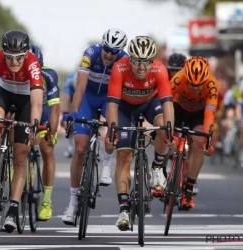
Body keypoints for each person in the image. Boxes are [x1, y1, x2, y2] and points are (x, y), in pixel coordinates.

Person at [0, 30, 44, 233]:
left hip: (25, 99)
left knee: (20, 158)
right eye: (9, 57)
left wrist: (35, 126)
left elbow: (37, 102)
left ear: (26, 54)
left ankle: (12, 209)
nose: (14, 62)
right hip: (2, 92)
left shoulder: (32, 64)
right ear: (3, 53)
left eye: (18, 57)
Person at [105, 36, 176, 231]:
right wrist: (112, 132)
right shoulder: (119, 68)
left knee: (163, 126)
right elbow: (112, 105)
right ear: (130, 60)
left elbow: (168, 104)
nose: (141, 67)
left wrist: (169, 132)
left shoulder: (160, 69)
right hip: (125, 109)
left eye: (146, 62)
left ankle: (157, 167)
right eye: (137, 61)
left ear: (152, 61)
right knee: (123, 156)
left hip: (150, 104)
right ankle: (124, 209)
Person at [61, 28, 128, 225]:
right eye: (106, 49)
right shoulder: (90, 54)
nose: (108, 54)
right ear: (102, 45)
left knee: (114, 129)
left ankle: (107, 162)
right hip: (88, 100)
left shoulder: (124, 60)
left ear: (120, 52)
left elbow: (124, 91)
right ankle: (73, 204)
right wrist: (74, 113)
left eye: (114, 51)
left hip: (109, 99)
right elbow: (80, 88)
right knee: (80, 149)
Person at [170, 56, 217, 210]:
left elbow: (210, 115)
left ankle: (188, 190)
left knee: (198, 144)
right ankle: (160, 170)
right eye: (191, 84)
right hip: (178, 108)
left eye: (199, 85)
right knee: (165, 134)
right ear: (186, 77)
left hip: (198, 114)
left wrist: (207, 141)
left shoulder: (212, 84)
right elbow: (165, 102)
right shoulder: (178, 78)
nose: (195, 88)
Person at [29, 44, 60, 221]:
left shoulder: (49, 74)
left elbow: (55, 108)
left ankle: (46, 201)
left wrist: (52, 131)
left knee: (47, 151)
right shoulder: (17, 72)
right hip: (26, 109)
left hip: (46, 111)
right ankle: (13, 165)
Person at [61, 72, 78, 158]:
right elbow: (66, 99)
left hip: (86, 95)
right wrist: (65, 115)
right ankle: (70, 146)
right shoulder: (69, 80)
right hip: (71, 96)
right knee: (69, 119)